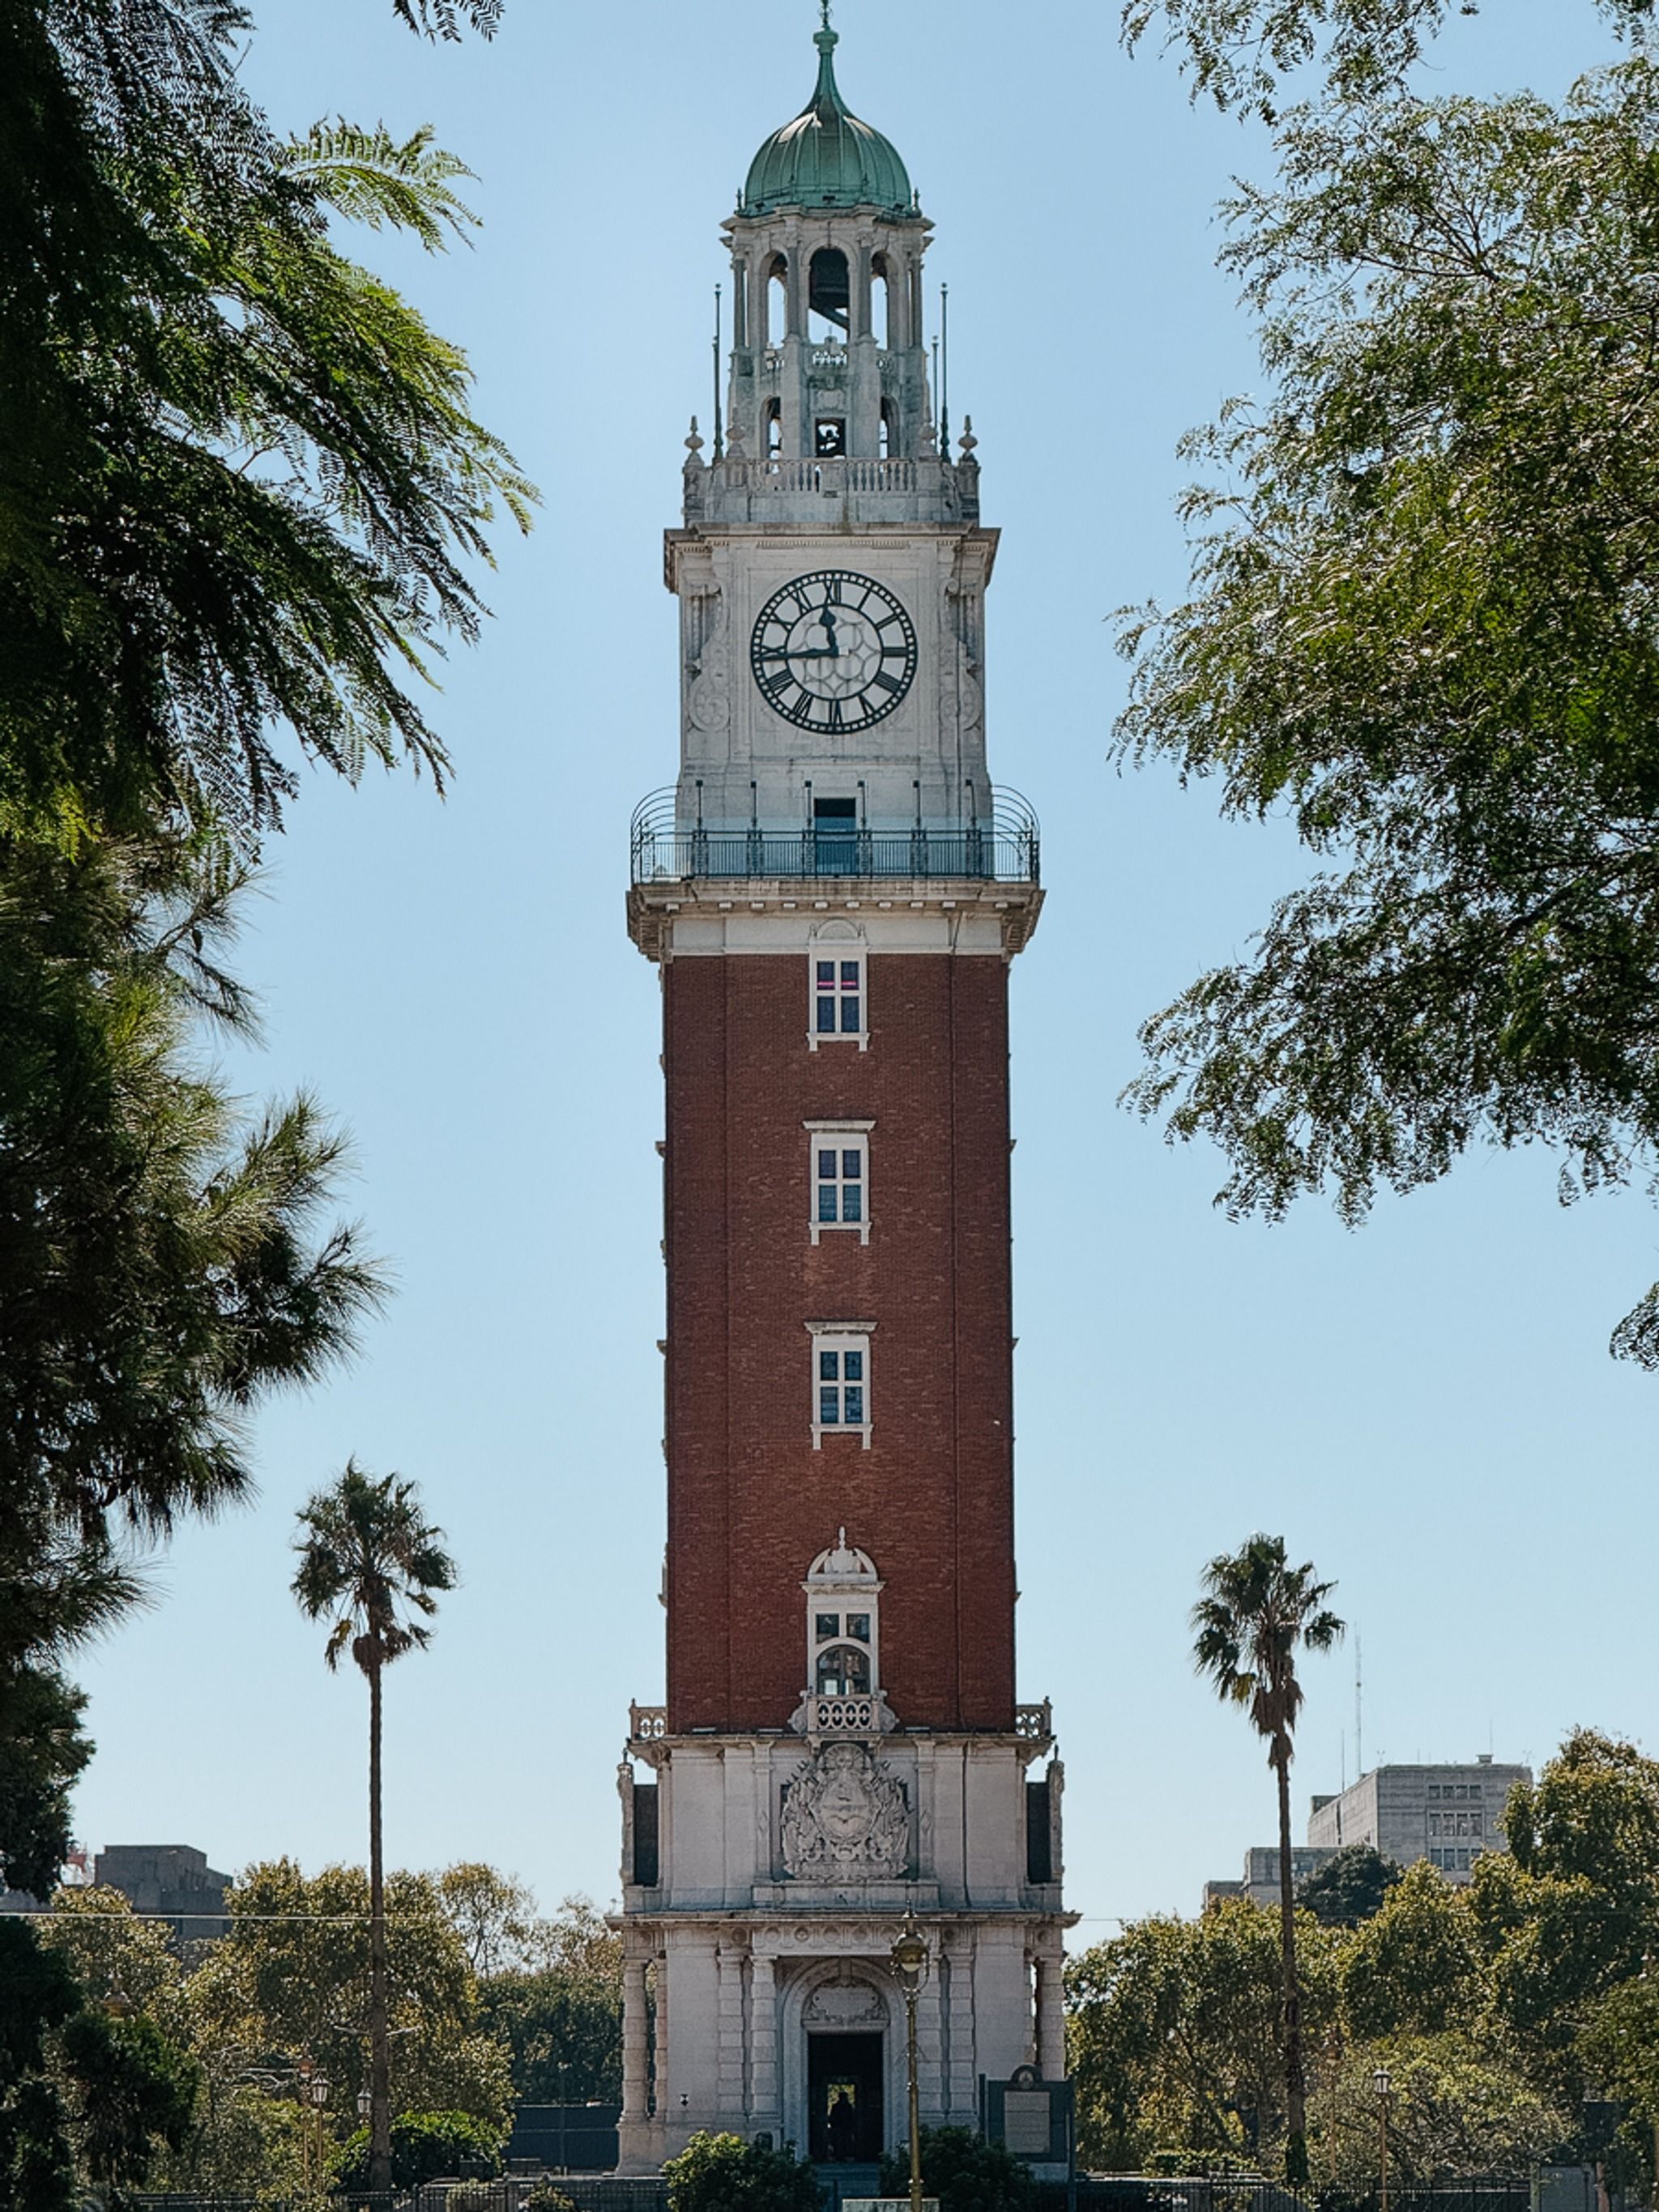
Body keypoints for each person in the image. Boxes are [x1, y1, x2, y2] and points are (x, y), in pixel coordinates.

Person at [828, 2087, 858, 2162]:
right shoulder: (836, 2106)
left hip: (847, 2127)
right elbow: (832, 2116)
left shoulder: (848, 2106)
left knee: (847, 2142)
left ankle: (846, 2155)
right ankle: (838, 2155)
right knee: (838, 2142)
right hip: (838, 2127)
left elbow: (852, 2116)